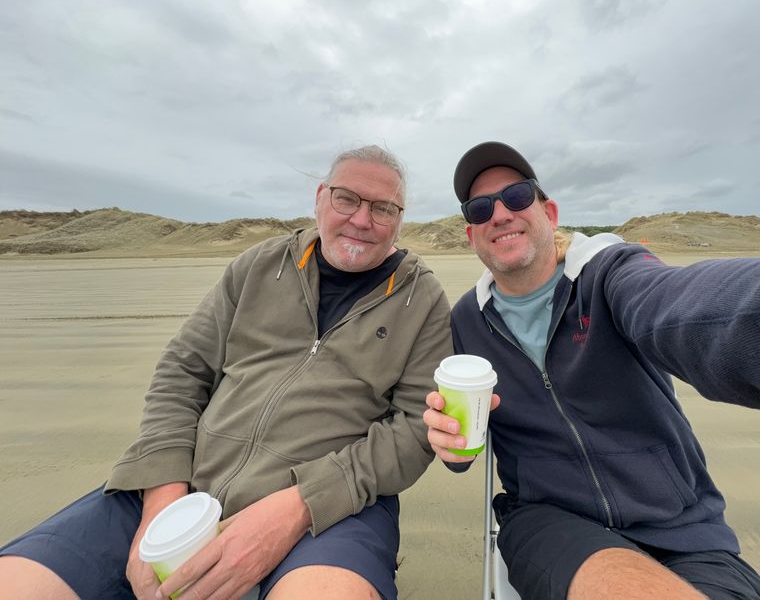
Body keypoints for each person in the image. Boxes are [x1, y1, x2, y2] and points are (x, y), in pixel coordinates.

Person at [0, 145, 453, 600]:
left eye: (382, 208)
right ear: (320, 197)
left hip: (333, 509)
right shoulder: (259, 265)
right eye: (347, 199)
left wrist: (299, 505)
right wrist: (163, 500)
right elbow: (182, 371)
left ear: (400, 219)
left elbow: (415, 428)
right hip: (188, 480)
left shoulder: (424, 298)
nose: (361, 219)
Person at [424, 141, 760, 600]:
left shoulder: (610, 275)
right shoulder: (466, 322)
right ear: (471, 235)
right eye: (480, 209)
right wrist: (454, 449)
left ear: (549, 212)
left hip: (683, 527)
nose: (499, 214)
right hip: (549, 520)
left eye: (516, 197)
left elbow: (690, 311)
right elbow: (463, 444)